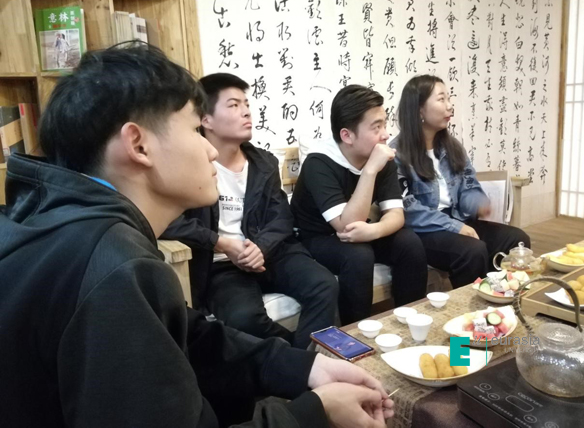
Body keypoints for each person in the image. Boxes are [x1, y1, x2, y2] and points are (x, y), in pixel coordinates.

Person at [0, 45, 393, 428]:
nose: (210, 151)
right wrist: (315, 414)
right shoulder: (114, 268)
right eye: (194, 129)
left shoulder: (73, 228)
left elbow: (189, 336)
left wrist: (304, 367)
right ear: (138, 144)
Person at [162, 73, 338, 350]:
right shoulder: (187, 166)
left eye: (246, 104)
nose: (246, 112)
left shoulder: (263, 162)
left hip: (270, 253)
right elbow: (169, 223)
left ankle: (305, 364)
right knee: (243, 318)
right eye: (233, 105)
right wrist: (221, 243)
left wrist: (260, 247)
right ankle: (301, 359)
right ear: (205, 120)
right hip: (221, 264)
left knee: (324, 285)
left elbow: (281, 216)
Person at [290, 84, 428, 326]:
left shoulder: (380, 156)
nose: (385, 134)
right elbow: (346, 227)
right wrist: (370, 170)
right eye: (376, 127)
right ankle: (356, 334)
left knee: (409, 243)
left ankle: (410, 325)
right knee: (358, 255)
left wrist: (374, 230)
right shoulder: (319, 162)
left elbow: (396, 215)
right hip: (315, 239)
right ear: (347, 135)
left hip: (361, 230)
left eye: (384, 124)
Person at [389, 74, 531, 288]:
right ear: (419, 110)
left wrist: (477, 202)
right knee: (472, 250)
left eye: (449, 98)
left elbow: (469, 185)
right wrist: (454, 226)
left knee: (516, 240)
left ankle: (499, 295)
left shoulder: (452, 147)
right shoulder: (398, 153)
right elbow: (408, 209)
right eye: (441, 99)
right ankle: (471, 304)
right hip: (424, 229)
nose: (449, 106)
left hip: (457, 219)